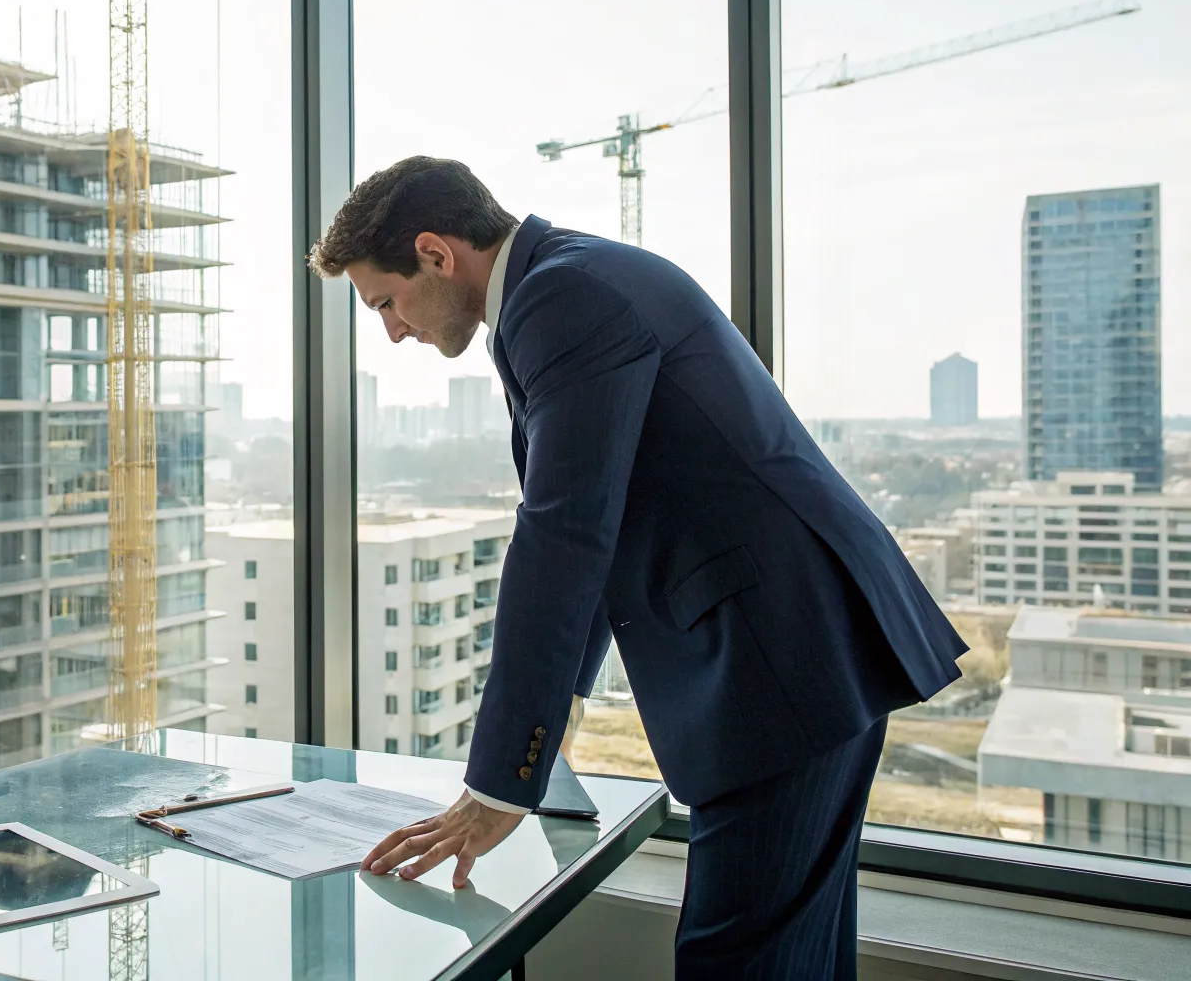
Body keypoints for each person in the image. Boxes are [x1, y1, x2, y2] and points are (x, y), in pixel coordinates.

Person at [317, 156, 967, 979]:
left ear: (437, 255)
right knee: (791, 958)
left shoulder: (563, 298)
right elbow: (602, 517)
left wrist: (497, 786)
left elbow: (562, 537)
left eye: (386, 302)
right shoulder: (566, 281)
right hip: (804, 643)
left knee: (734, 961)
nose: (392, 330)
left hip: (779, 658)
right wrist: (567, 709)